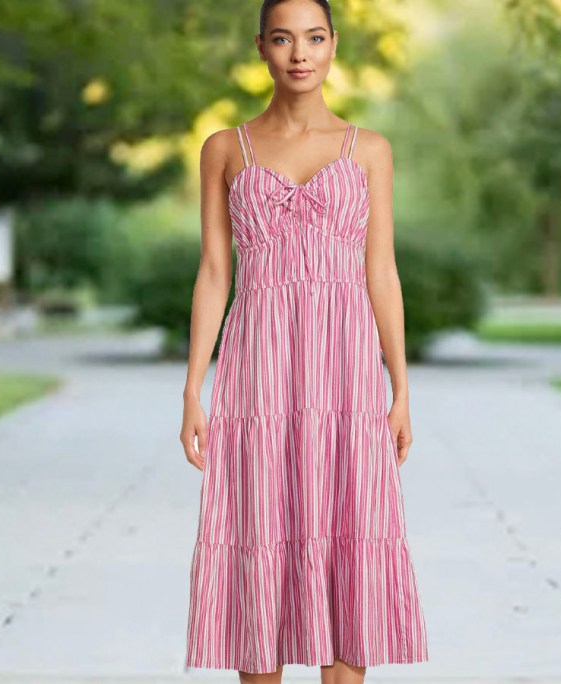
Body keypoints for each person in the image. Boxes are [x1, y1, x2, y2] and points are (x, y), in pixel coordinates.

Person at [180, 1, 429, 681]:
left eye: (314, 38)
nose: (300, 54)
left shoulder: (369, 149)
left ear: (333, 45)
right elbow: (213, 273)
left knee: (349, 537)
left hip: (346, 375)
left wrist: (400, 389)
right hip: (258, 372)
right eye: (284, 39)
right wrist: (193, 389)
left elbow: (382, 272)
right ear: (260, 46)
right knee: (259, 529)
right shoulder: (226, 149)